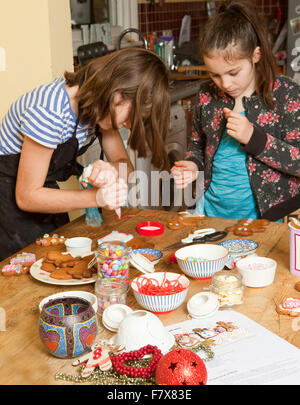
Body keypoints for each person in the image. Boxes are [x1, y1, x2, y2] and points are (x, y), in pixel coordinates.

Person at [0, 47, 170, 260]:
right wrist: (96, 197)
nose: (127, 126)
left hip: (44, 195)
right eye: (130, 117)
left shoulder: (97, 108)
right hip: (8, 204)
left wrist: (110, 170)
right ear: (116, 94)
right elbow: (27, 196)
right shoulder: (50, 110)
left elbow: (125, 165)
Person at [171, 0, 300, 222]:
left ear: (255, 55)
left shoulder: (285, 94)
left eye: (233, 73)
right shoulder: (206, 95)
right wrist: (192, 165)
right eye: (215, 75)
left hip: (269, 219)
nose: (225, 84)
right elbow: (197, 145)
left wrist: (254, 138)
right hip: (212, 214)